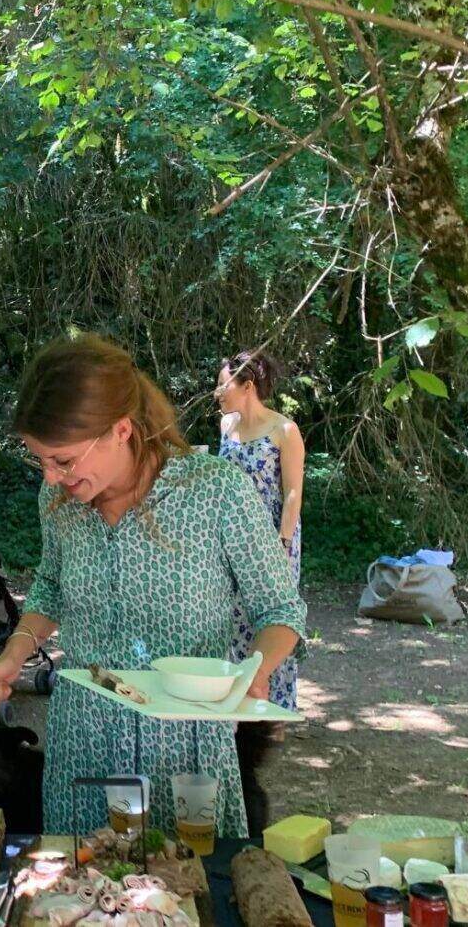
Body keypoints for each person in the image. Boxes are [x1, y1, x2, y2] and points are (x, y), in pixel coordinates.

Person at [0, 335, 305, 838]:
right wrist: (16, 652)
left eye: (63, 460)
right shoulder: (58, 501)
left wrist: (256, 669)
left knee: (185, 892)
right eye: (40, 460)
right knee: (80, 897)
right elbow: (52, 586)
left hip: (186, 747)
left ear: (120, 430)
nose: (51, 477)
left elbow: (280, 609)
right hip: (85, 738)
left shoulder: (214, 490)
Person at [215, 348, 306, 831]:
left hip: (273, 542)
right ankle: (233, 709)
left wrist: (280, 546)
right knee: (232, 626)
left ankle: (264, 715)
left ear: (246, 384)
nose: (216, 391)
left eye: (223, 382)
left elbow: (292, 492)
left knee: (269, 627)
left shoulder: (285, 431)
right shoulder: (227, 429)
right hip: (229, 547)